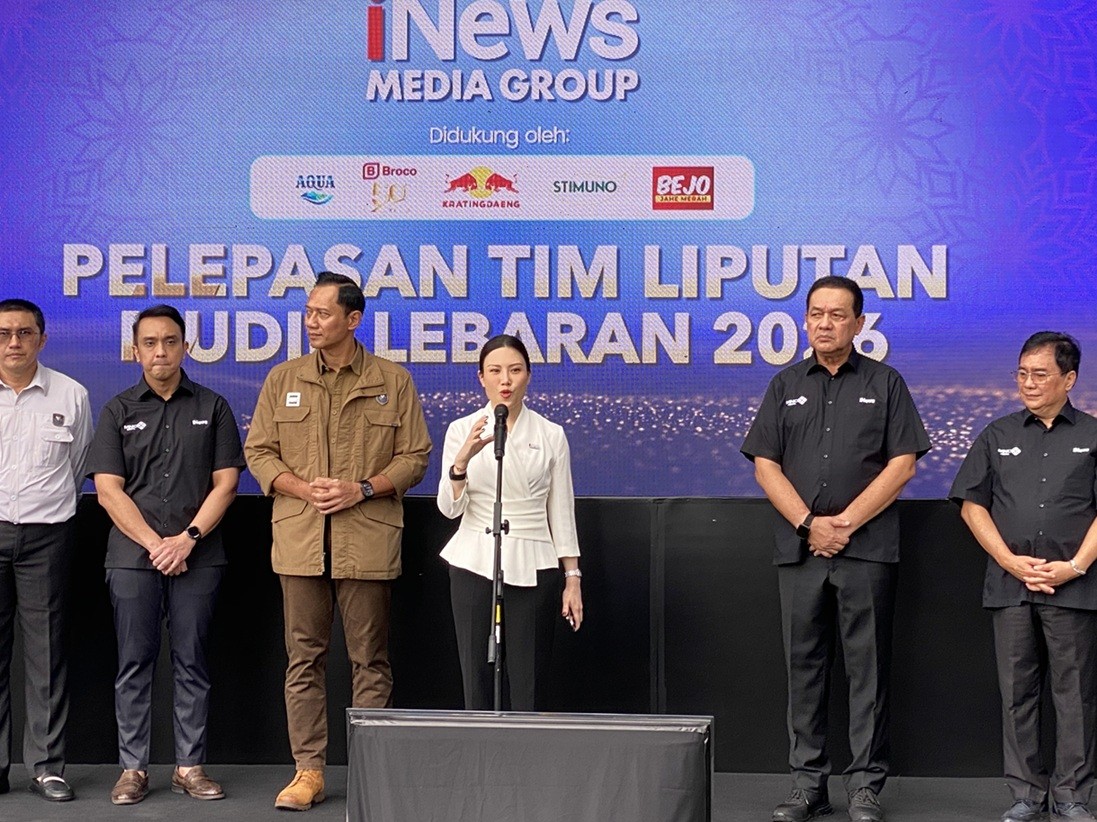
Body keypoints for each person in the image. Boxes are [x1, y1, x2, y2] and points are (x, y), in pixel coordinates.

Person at [741, 276, 931, 822]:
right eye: (816, 314)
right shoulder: (784, 384)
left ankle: (865, 787)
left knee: (868, 669)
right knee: (804, 668)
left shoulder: (886, 382)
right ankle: (808, 786)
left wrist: (844, 523)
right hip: (800, 552)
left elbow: (903, 464)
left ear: (858, 323)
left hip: (866, 550)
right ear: (805, 320)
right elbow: (765, 466)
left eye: (837, 315)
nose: (825, 324)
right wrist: (809, 525)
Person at [245, 271, 431, 811]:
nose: (311, 321)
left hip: (366, 540)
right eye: (308, 312)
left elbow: (416, 457)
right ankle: (308, 772)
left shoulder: (393, 380)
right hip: (300, 540)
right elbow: (259, 452)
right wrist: (302, 488)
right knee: (303, 660)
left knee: (370, 659)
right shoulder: (283, 377)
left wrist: (362, 489)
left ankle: (371, 770)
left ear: (353, 319)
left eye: (322, 313)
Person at [87, 304, 243, 805]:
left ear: (185, 347)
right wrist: (157, 544)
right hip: (133, 558)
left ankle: (189, 767)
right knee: (134, 662)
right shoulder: (117, 410)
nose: (161, 351)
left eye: (170, 341)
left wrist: (186, 539)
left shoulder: (213, 406)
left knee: (191, 661)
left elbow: (227, 483)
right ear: (136, 350)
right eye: (150, 343)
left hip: (198, 555)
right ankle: (132, 769)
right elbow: (108, 490)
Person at [950, 332, 1097, 822]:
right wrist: (1009, 561)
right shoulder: (997, 434)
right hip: (1010, 585)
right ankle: (1026, 794)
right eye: (1022, 374)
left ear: (1069, 379)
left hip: (1074, 585)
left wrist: (1075, 565)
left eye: (1040, 374)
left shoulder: (1093, 435)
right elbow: (972, 505)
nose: (1028, 383)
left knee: (1074, 695)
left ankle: (1072, 795)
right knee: (1017, 693)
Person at [436, 334, 583, 711]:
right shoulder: (461, 429)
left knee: (529, 678)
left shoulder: (551, 434)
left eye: (515, 370)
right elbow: (449, 509)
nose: (505, 380)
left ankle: (526, 748)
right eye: (495, 371)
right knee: (476, 676)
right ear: (481, 377)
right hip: (473, 557)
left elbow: (562, 510)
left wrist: (572, 578)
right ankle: (478, 747)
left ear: (528, 375)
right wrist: (462, 460)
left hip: (534, 559)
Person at [0, 298, 91, 802]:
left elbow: (76, 466)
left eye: (24, 333)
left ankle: (46, 767)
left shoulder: (71, 394)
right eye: (4, 333)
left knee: (47, 653)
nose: (14, 343)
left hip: (48, 535)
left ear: (42, 339)